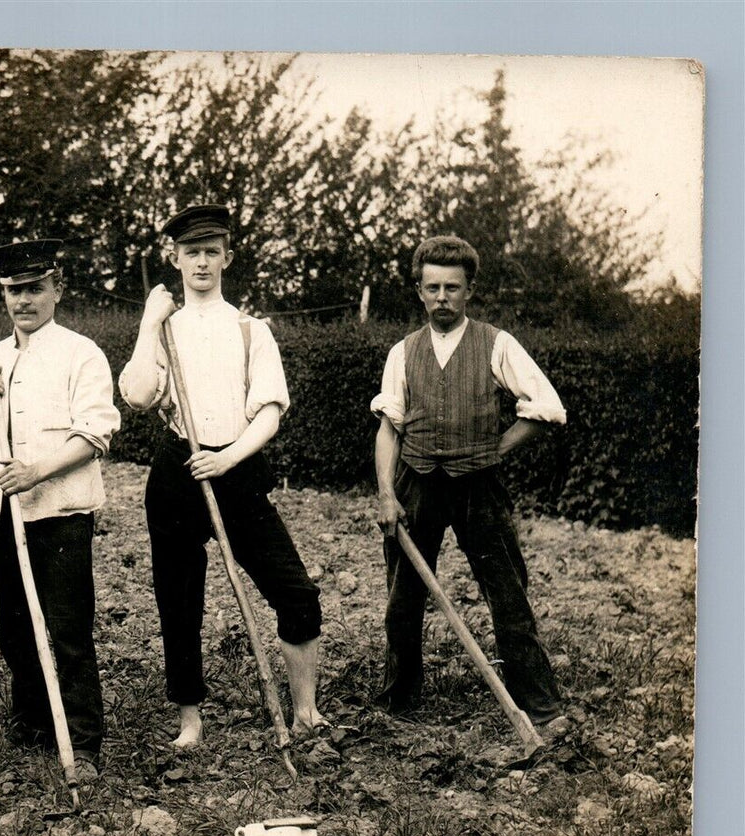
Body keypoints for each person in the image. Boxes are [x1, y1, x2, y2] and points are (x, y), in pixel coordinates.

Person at [118, 204, 326, 749]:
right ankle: (191, 720)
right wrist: (148, 321)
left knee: (295, 590)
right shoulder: (163, 329)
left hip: (235, 469)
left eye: (212, 252)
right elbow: (138, 395)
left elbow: (271, 412)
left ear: (228, 258)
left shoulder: (250, 329)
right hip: (177, 470)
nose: (202, 262)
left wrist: (229, 457)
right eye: (191, 252)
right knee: (179, 598)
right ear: (175, 259)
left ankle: (305, 712)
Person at [372, 235, 566, 725]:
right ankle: (399, 702)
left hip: (480, 488)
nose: (442, 297)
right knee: (403, 596)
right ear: (419, 291)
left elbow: (547, 409)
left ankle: (540, 705)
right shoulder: (402, 352)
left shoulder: (497, 343)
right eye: (433, 287)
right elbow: (388, 427)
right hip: (415, 481)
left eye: (452, 288)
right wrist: (387, 495)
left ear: (469, 291)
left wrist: (493, 450)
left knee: (507, 592)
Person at [0, 239, 120, 782]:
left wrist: (35, 472)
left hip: (62, 511)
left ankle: (83, 740)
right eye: (13, 291)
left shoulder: (82, 353)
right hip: (2, 512)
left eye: (33, 289)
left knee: (69, 627)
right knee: (13, 624)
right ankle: (31, 724)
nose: (23, 300)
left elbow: (94, 435)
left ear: (56, 290)